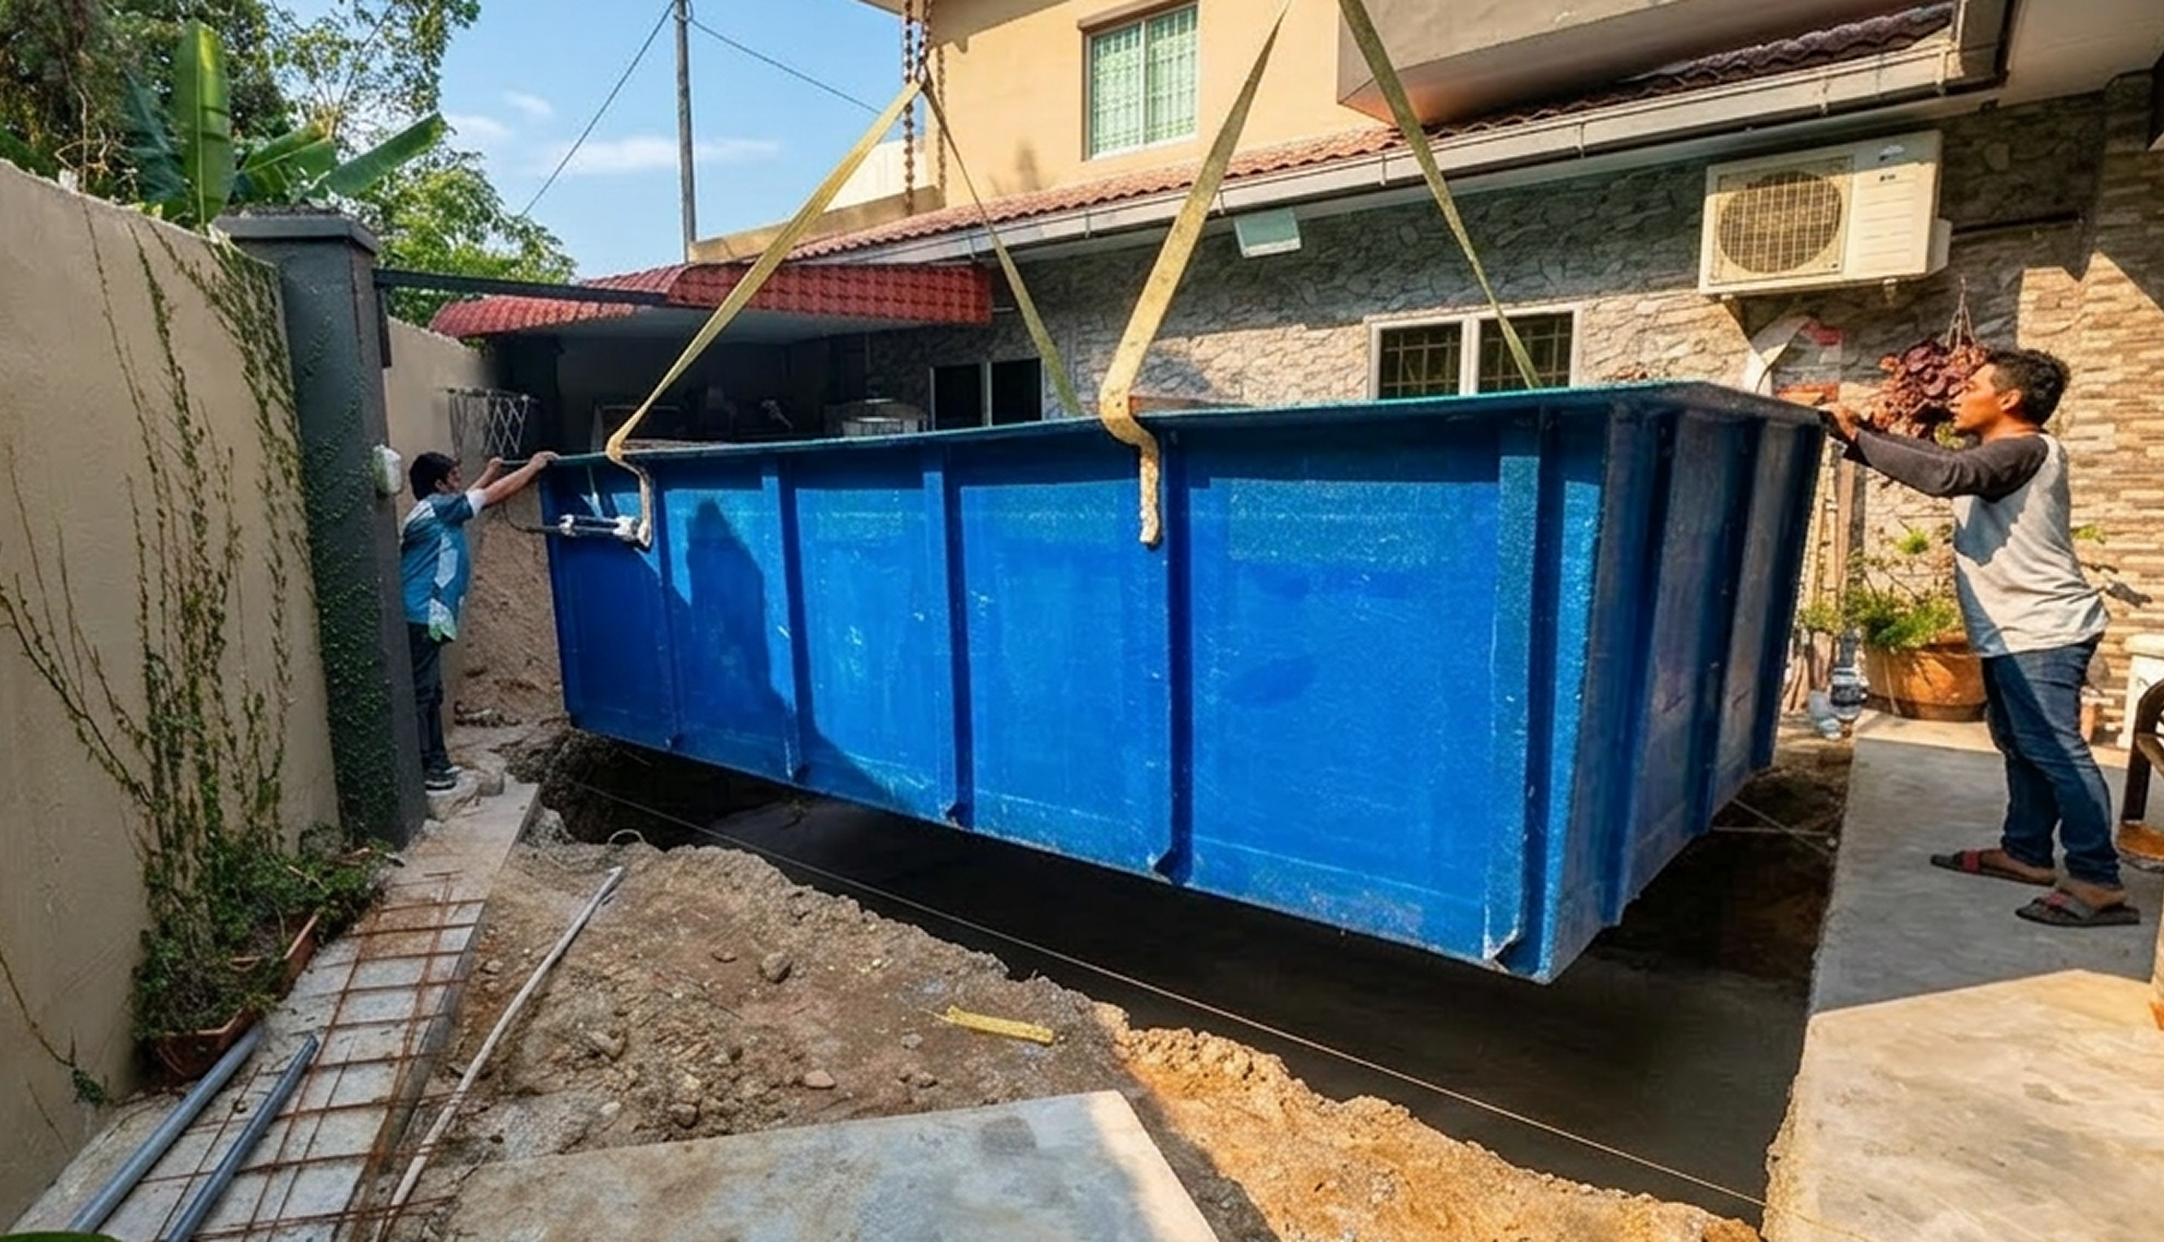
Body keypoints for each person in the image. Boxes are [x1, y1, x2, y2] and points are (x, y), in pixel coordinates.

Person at [1826, 348, 2137, 927]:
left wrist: (1862, 440)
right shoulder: (2002, 456)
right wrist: (1866, 438)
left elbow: (1946, 476)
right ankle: (2026, 853)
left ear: (2009, 399)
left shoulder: (2026, 449)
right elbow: (1947, 461)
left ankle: (2098, 880)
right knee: (2021, 744)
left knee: (2056, 751)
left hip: (2042, 631)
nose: (1959, 395)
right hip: (2016, 630)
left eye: (1973, 385)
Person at [401, 450, 557, 792]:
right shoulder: (440, 508)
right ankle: (426, 769)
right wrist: (532, 467)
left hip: (428, 615)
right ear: (439, 485)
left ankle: (438, 762)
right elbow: (488, 497)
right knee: (423, 693)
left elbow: (472, 496)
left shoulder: (436, 508)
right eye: (454, 478)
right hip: (423, 614)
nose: (459, 484)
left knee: (432, 692)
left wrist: (489, 471)